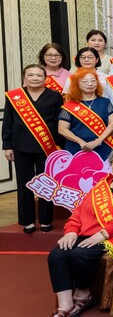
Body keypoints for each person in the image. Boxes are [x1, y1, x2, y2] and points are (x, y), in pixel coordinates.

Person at [48, 146, 113, 317]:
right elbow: (80, 211)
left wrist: (103, 233)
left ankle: (83, 293)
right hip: (86, 232)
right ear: (111, 165)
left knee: (79, 255)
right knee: (56, 255)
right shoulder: (102, 184)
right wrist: (71, 231)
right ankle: (65, 305)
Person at [4, 64, 62, 233]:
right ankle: (27, 221)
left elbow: (59, 122)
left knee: (46, 183)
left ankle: (45, 220)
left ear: (45, 78)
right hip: (21, 146)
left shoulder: (55, 96)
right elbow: (8, 122)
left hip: (47, 146)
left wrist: (60, 146)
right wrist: (7, 145)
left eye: (39, 75)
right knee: (24, 183)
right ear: (24, 77)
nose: (35, 78)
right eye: (30, 75)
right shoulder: (15, 96)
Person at [58, 68, 113, 159]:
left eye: (93, 81)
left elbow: (112, 124)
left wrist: (98, 141)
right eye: (84, 81)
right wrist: (80, 142)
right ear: (77, 84)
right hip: (77, 147)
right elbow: (62, 129)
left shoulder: (106, 102)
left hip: (103, 145)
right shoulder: (69, 105)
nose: (90, 84)